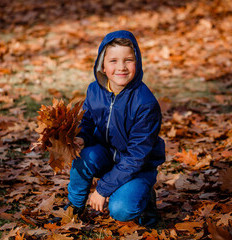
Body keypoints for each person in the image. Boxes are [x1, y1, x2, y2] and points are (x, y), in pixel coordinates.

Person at [67, 30, 166, 227]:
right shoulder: (95, 90)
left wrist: (102, 189)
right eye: (113, 61)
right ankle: (73, 209)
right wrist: (82, 138)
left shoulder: (145, 103)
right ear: (102, 65)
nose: (121, 67)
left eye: (128, 60)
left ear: (137, 63)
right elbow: (87, 121)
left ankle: (145, 200)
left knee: (121, 210)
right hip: (106, 155)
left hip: (137, 167)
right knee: (83, 158)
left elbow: (137, 156)